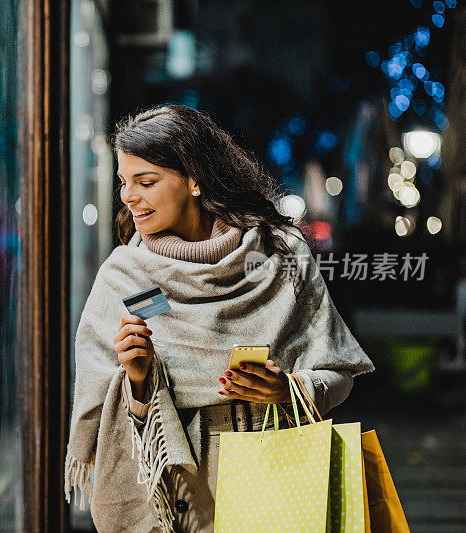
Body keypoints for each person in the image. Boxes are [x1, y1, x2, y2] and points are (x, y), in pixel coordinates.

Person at [64, 104, 374, 532]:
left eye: (146, 181)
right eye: (124, 182)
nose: (128, 197)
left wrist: (290, 389)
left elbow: (338, 373)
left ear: (194, 179)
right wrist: (138, 379)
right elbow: (101, 417)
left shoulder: (280, 255)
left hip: (279, 479)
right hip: (178, 495)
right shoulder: (124, 277)